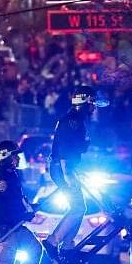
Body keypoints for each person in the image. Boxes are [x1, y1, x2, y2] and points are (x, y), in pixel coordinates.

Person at [46, 87, 99, 252]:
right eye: (92, 103)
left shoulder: (76, 120)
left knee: (79, 208)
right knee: (77, 208)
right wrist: (68, 174)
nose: (94, 107)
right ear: (85, 103)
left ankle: (67, 243)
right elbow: (65, 151)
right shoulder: (72, 123)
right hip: (63, 169)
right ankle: (53, 241)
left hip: (66, 168)